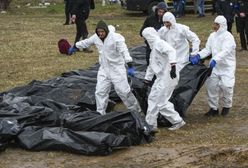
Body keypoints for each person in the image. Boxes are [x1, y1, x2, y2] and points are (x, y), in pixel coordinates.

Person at [74, 20, 141, 115]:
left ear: (106, 31)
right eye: (98, 32)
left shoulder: (116, 38)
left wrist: (129, 64)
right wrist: (75, 46)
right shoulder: (96, 37)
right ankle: (100, 113)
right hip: (104, 69)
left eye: (102, 32)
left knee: (123, 91)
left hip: (117, 69)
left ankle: (135, 110)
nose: (100, 34)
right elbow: (86, 42)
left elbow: (124, 51)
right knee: (100, 91)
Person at [189, 16, 236, 117]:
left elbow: (225, 51)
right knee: (211, 86)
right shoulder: (212, 36)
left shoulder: (228, 37)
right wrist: (198, 55)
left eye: (217, 25)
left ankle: (226, 106)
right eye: (214, 24)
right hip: (214, 67)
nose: (214, 26)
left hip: (227, 67)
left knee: (226, 86)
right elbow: (208, 49)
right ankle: (213, 108)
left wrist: (215, 59)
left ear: (222, 26)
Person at [142, 27, 186, 131]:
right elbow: (151, 66)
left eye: (145, 37)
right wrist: (146, 80)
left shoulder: (159, 44)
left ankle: (177, 121)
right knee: (152, 99)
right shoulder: (153, 50)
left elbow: (171, 51)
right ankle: (151, 125)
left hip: (169, 76)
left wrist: (173, 66)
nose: (145, 40)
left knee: (161, 102)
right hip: (161, 77)